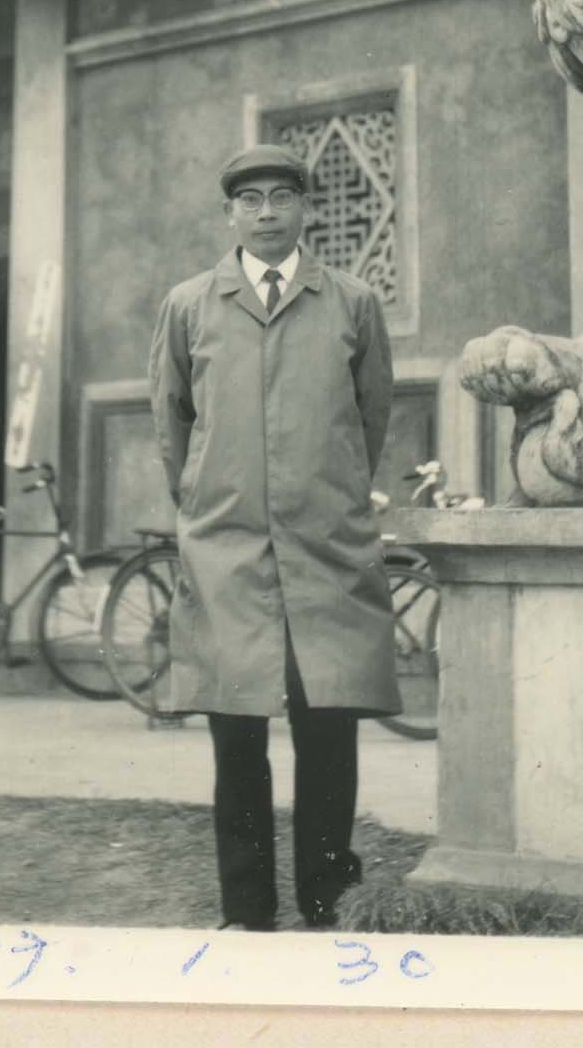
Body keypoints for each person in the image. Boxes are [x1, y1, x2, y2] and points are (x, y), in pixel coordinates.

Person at [148, 142, 399, 931]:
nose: (266, 213)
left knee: (328, 726)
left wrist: (325, 489)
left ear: (306, 208)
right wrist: (209, 497)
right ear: (229, 214)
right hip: (227, 548)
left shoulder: (352, 302)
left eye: (281, 197)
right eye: (249, 199)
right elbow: (172, 422)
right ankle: (247, 911)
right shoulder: (190, 305)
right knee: (236, 733)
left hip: (326, 546)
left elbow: (371, 417)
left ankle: (326, 899)